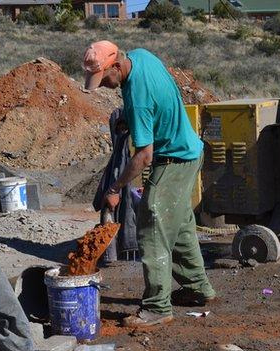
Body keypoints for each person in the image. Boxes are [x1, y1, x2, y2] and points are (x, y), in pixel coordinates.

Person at [82, 40, 216, 327]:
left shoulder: (136, 97)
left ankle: (157, 307)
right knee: (178, 225)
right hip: (191, 150)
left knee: (152, 224)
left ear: (116, 65)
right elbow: (160, 100)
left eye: (104, 78)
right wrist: (132, 120)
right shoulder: (142, 56)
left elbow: (144, 156)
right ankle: (197, 289)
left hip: (174, 159)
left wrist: (114, 189)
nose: (104, 85)